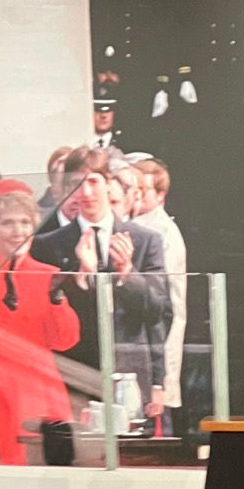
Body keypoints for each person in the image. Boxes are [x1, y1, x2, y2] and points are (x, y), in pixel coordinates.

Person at [32, 144, 168, 414]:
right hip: (75, 370)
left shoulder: (144, 240)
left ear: (108, 184)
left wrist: (126, 273)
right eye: (76, 183)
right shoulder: (48, 245)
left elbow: (157, 311)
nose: (85, 192)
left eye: (93, 181)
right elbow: (49, 312)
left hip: (129, 371)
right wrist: (83, 275)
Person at [0, 179, 80, 466]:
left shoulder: (49, 273)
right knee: (14, 478)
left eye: (25, 222)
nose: (18, 231)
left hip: (45, 387)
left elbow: (66, 339)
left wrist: (57, 297)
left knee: (56, 478)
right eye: (7, 223)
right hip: (0, 389)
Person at [135, 157, 189, 434]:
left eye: (142, 191)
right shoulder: (134, 224)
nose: (136, 196)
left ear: (160, 195)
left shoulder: (163, 233)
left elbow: (163, 301)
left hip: (158, 337)